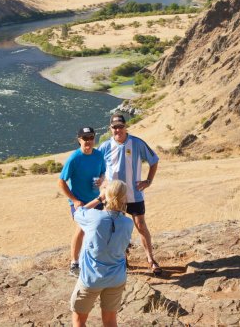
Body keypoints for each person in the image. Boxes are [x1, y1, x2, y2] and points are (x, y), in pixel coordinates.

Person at [97, 114, 161, 275]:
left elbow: (154, 160)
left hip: (134, 195)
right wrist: (102, 184)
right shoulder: (105, 146)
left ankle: (151, 259)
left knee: (140, 225)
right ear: (110, 128)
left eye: (120, 126)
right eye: (114, 127)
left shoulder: (137, 143)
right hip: (113, 197)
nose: (118, 130)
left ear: (125, 127)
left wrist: (148, 181)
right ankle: (122, 261)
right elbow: (96, 168)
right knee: (115, 229)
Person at [70, 180, 134, 327]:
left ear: (106, 195)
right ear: (124, 198)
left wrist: (99, 198)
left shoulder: (93, 217)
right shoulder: (128, 223)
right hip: (116, 278)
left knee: (79, 321)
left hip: (91, 279)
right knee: (110, 321)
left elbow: (78, 213)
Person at [59, 126, 106, 276]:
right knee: (81, 229)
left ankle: (93, 260)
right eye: (85, 138)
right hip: (79, 202)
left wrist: (101, 180)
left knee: (96, 230)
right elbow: (61, 182)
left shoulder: (98, 155)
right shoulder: (74, 158)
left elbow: (103, 172)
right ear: (79, 140)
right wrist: (74, 200)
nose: (88, 141)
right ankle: (74, 264)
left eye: (91, 137)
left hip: (96, 200)